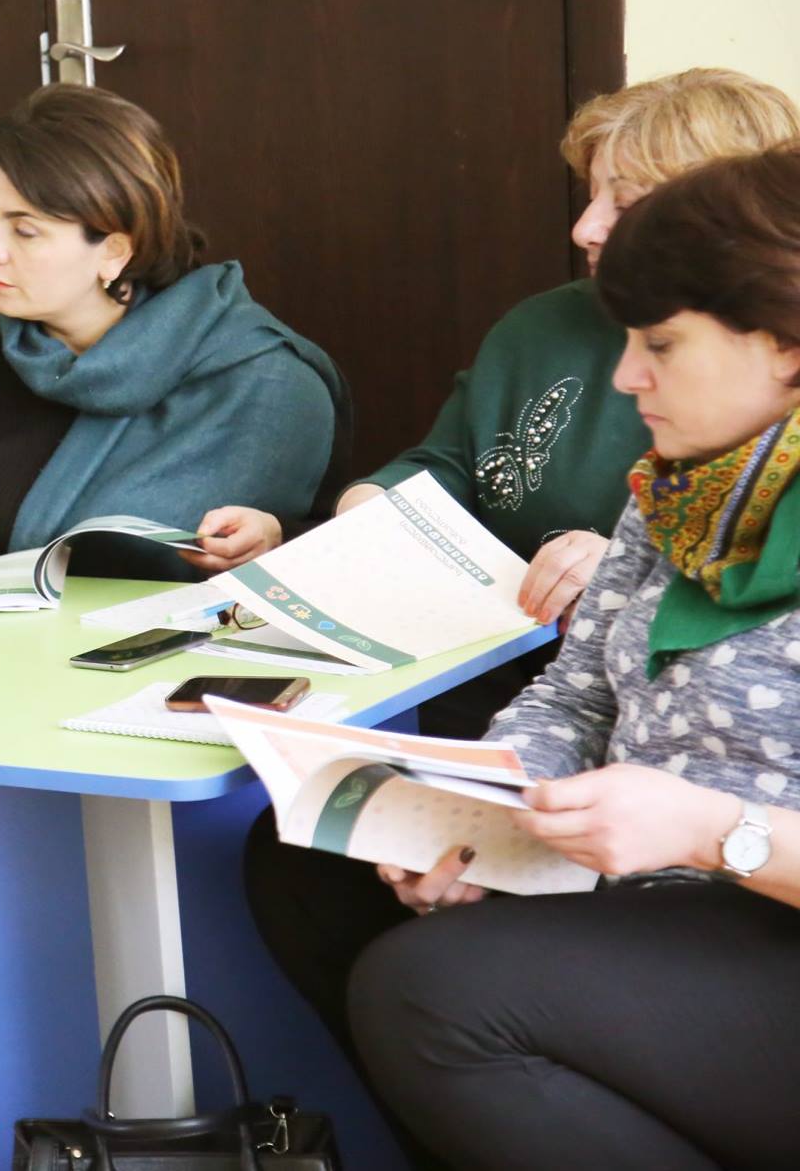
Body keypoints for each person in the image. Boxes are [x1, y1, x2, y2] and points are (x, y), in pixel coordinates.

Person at [235, 71, 800, 1146]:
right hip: (647, 882)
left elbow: (702, 825)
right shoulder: (681, 486)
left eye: (660, 345)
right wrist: (479, 820)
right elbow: (577, 695)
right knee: (312, 858)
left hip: (760, 909)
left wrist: (708, 831)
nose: (626, 378)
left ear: (782, 343)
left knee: (434, 994)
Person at [0, 82, 348, 617]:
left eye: (24, 230)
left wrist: (276, 539)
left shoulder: (267, 384)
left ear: (115, 250)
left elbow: (340, 563)